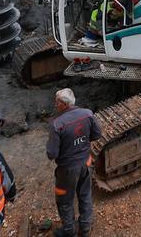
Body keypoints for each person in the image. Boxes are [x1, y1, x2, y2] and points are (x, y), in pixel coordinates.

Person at [46, 88, 102, 237]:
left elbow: (52, 154)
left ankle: (69, 230)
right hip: (85, 163)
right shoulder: (87, 114)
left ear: (64, 104)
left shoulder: (57, 124)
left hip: (67, 170)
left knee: (64, 200)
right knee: (84, 195)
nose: (55, 104)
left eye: (57, 101)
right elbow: (97, 134)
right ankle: (85, 229)